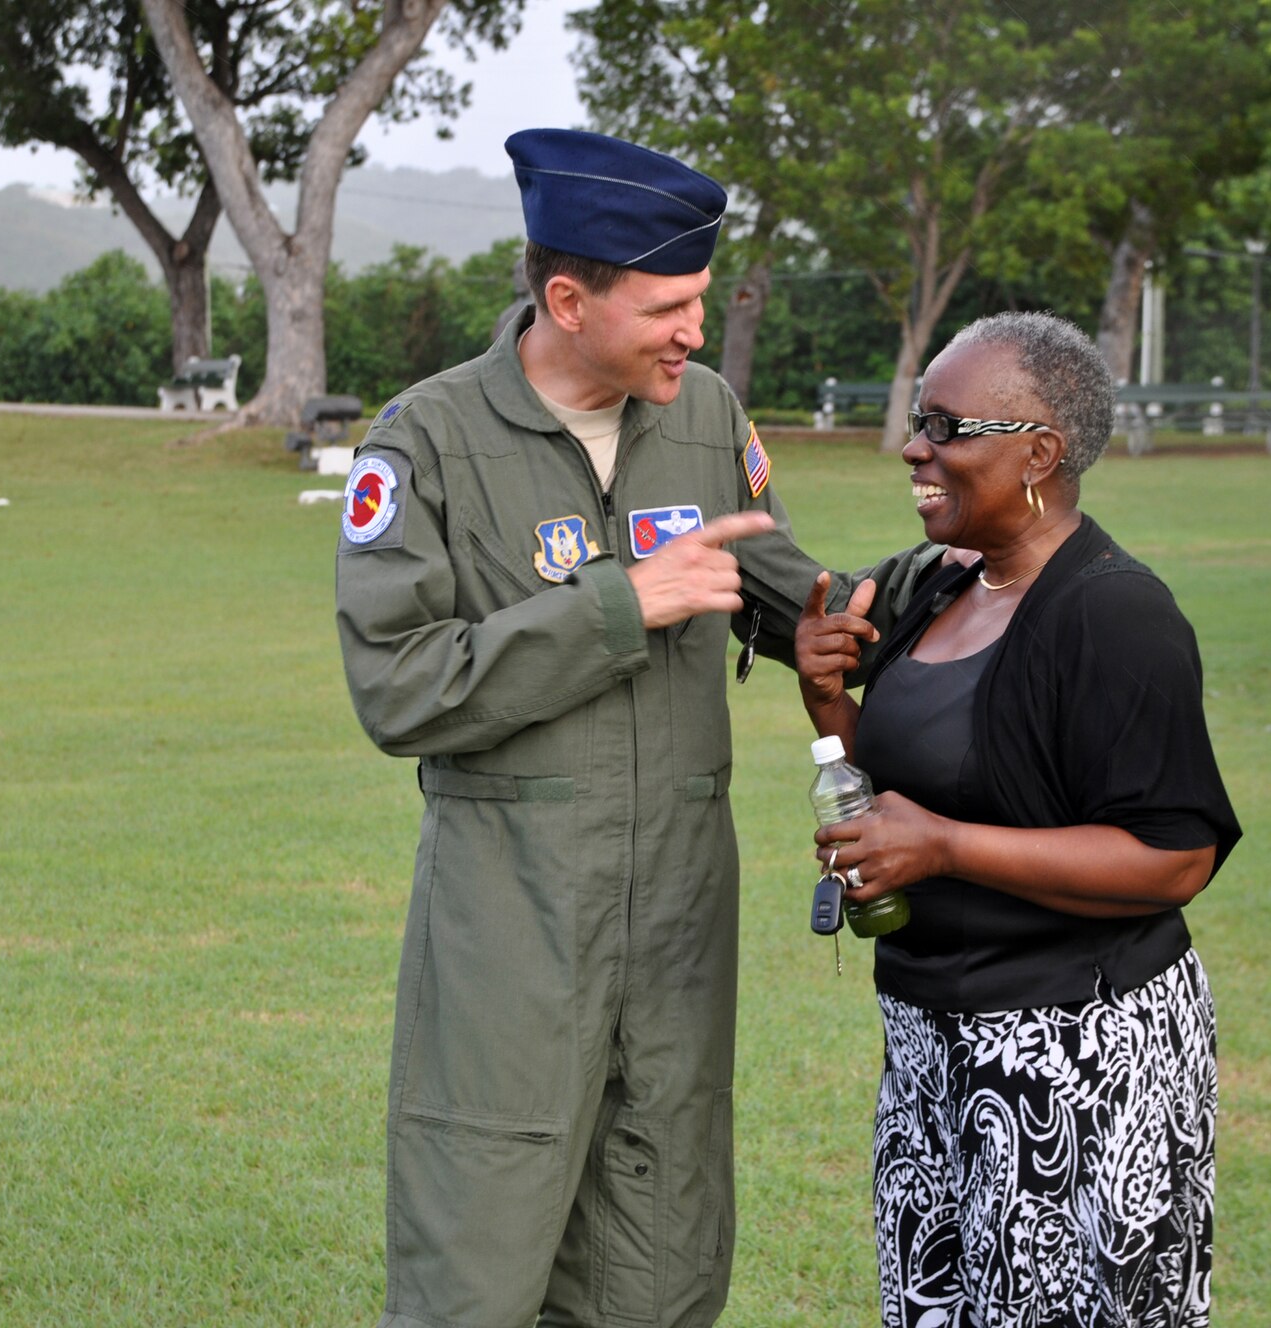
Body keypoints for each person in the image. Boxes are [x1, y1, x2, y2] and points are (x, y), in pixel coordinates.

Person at [335, 128, 939, 1328]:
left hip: (678, 913)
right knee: (480, 1245)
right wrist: (621, 603)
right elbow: (397, 685)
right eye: (666, 306)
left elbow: (776, 584)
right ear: (567, 298)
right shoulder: (425, 441)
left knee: (659, 1251)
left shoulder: (705, 414)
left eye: (700, 302)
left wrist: (820, 625)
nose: (693, 333)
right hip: (511, 920)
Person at [795, 312, 1240, 1328]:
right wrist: (829, 702)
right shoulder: (936, 584)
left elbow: (1174, 854)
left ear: (1038, 451)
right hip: (928, 1042)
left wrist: (943, 846)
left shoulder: (1114, 613)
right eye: (918, 420)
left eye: (946, 426)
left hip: (1077, 1056)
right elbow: (904, 779)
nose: (915, 446)